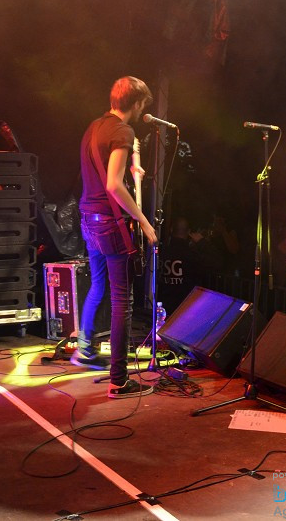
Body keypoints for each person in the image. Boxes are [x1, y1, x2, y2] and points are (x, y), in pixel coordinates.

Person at [72, 76, 158, 399]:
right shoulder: (124, 131)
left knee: (98, 284)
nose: (140, 112)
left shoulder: (93, 127)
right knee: (123, 299)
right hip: (109, 225)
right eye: (141, 106)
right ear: (135, 104)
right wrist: (143, 221)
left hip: (88, 221)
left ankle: (84, 346)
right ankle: (119, 381)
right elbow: (112, 184)